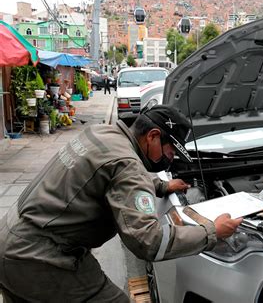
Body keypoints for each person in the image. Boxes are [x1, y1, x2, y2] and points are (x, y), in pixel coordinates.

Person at [0, 104, 242, 302]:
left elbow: (104, 173)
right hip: (39, 258)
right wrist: (211, 232)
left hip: (10, 239)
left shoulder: (101, 133)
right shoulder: (128, 166)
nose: (171, 160)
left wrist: (159, 186)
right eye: (171, 152)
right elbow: (149, 242)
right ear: (153, 136)